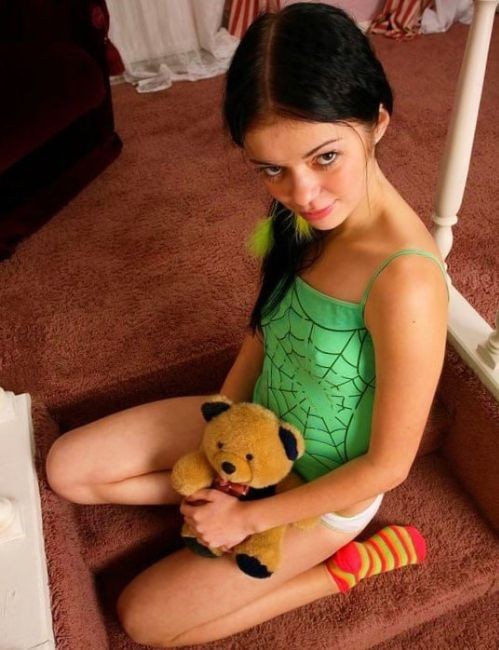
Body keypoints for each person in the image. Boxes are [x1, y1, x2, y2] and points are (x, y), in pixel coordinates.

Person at [45, 3, 449, 647]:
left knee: (145, 619)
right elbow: (265, 331)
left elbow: (387, 467)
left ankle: (339, 572)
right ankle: (220, 495)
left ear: (377, 121)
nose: (304, 194)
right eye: (272, 169)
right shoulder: (300, 218)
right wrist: (221, 429)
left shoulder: (406, 279)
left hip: (322, 485)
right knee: (68, 469)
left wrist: (246, 518)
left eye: (325, 157)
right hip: (254, 422)